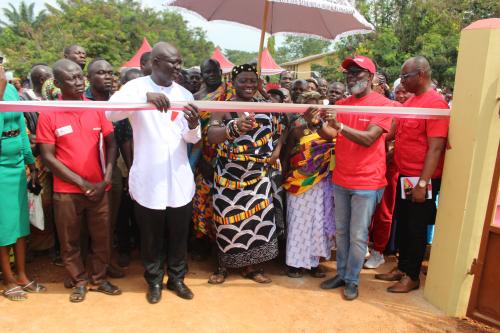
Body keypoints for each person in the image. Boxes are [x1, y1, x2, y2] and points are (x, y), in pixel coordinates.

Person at [106, 42, 201, 304]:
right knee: (151, 236)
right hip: (149, 178)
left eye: (180, 61)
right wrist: (143, 100)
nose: (178, 67)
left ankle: (178, 279)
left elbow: (191, 137)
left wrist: (194, 125)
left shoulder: (185, 94)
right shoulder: (136, 88)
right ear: (156, 62)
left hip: (178, 178)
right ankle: (154, 280)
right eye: (172, 62)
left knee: (179, 233)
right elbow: (110, 113)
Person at [304, 55, 397, 300]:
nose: (353, 76)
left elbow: (369, 139)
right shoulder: (343, 104)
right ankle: (342, 274)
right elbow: (330, 134)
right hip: (342, 179)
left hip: (368, 182)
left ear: (371, 77)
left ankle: (352, 280)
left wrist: (341, 126)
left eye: (359, 72)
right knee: (342, 232)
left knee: (358, 235)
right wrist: (315, 124)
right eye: (349, 73)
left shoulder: (383, 105)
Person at [37, 59, 121, 303]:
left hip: (99, 188)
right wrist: (83, 184)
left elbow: (112, 142)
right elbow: (48, 157)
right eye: (71, 78)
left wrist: (105, 179)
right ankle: (79, 280)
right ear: (58, 83)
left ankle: (98, 278)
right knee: (69, 241)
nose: (78, 81)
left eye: (79, 76)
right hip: (67, 191)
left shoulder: (95, 107)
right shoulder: (49, 113)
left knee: (102, 237)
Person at [376, 56, 449, 293]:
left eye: (405, 76)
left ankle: (412, 276)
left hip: (422, 179)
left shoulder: (435, 104)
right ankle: (402, 266)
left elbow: (435, 147)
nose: (402, 81)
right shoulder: (411, 102)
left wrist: (423, 183)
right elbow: (397, 134)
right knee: (405, 222)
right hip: (406, 176)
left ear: (421, 75)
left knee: (417, 227)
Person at [206, 63, 281, 285]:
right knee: (226, 222)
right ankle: (222, 267)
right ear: (233, 83)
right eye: (243, 81)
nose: (248, 85)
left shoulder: (267, 107)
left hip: (258, 177)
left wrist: (275, 152)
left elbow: (281, 131)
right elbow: (212, 135)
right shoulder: (223, 107)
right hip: (229, 177)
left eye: (252, 81)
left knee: (257, 223)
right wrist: (235, 128)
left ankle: (253, 268)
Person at [0, 64, 46, 301]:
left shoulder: (10, 91)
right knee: (3, 227)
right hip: (0, 171)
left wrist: (31, 164)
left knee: (19, 225)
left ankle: (21, 274)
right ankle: (7, 279)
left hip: (17, 168)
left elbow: (20, 129)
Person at [283, 91, 335, 278]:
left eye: (317, 108)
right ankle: (295, 264)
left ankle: (314, 262)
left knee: (317, 224)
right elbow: (287, 155)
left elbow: (332, 143)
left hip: (321, 182)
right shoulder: (296, 128)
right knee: (299, 223)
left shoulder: (328, 128)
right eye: (310, 108)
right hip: (299, 183)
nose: (315, 113)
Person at [84, 59, 125, 279]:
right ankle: (82, 266)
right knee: (81, 223)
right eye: (101, 73)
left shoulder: (119, 102)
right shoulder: (80, 100)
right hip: (81, 170)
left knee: (109, 220)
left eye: (110, 72)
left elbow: (125, 137)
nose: (108, 77)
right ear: (89, 77)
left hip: (110, 169)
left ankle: (106, 261)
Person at [191, 59, 233, 261]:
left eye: (214, 70)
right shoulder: (196, 98)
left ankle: (222, 245)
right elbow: (192, 133)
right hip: (203, 156)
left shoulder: (231, 94)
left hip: (229, 156)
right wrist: (200, 163)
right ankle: (203, 242)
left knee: (224, 203)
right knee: (202, 200)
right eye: (206, 72)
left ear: (220, 71)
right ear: (202, 74)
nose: (211, 74)